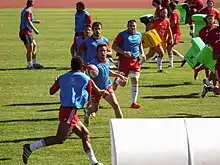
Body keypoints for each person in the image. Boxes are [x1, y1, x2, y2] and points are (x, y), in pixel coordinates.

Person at [22, 56, 105, 165]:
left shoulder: (62, 77)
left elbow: (51, 91)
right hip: (70, 111)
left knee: (85, 135)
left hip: (67, 111)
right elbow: (92, 94)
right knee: (60, 138)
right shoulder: (86, 79)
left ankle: (94, 162)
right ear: (81, 66)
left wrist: (57, 81)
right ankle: (30, 147)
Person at [84, 42, 126, 125]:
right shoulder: (93, 65)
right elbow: (90, 80)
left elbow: (107, 71)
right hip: (96, 90)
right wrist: (98, 90)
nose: (103, 53)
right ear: (97, 52)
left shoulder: (107, 61)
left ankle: (121, 126)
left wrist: (118, 75)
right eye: (101, 51)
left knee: (116, 105)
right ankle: (87, 112)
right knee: (95, 109)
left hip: (107, 87)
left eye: (104, 51)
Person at [112, 19, 145, 109]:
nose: (132, 28)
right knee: (123, 83)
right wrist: (123, 52)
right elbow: (114, 46)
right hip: (124, 61)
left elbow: (139, 45)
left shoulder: (139, 35)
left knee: (135, 80)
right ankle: (117, 82)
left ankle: (133, 102)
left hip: (135, 61)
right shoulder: (122, 35)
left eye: (134, 26)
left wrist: (142, 53)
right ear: (127, 26)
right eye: (130, 26)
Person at [145, 8, 174, 72]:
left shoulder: (167, 20)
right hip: (154, 39)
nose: (165, 14)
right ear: (160, 13)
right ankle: (159, 69)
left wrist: (171, 37)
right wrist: (148, 36)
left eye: (166, 13)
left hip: (161, 40)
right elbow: (148, 26)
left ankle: (138, 63)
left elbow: (168, 29)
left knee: (150, 54)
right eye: (163, 13)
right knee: (161, 53)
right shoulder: (155, 20)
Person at [19, 0, 43, 69]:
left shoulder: (24, 10)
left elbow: (26, 20)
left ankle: (35, 63)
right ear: (32, 4)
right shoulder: (28, 11)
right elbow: (28, 21)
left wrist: (35, 21)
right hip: (25, 33)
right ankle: (29, 65)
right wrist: (35, 29)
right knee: (30, 49)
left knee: (34, 45)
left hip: (27, 32)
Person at [194, 14, 217, 80]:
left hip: (215, 48)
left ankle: (198, 70)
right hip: (207, 48)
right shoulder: (203, 30)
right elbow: (200, 40)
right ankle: (208, 80)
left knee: (210, 64)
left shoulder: (216, 28)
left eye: (211, 19)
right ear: (206, 20)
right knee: (208, 64)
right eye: (209, 19)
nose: (210, 20)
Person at [201, 23, 220, 97]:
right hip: (219, 67)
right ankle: (208, 87)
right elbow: (214, 56)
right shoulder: (217, 43)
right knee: (218, 92)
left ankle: (207, 86)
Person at [167, 1, 185, 68]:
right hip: (172, 32)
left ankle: (171, 64)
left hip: (175, 33)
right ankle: (182, 58)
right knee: (168, 48)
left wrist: (167, 27)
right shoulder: (173, 13)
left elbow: (174, 22)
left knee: (169, 47)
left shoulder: (174, 14)